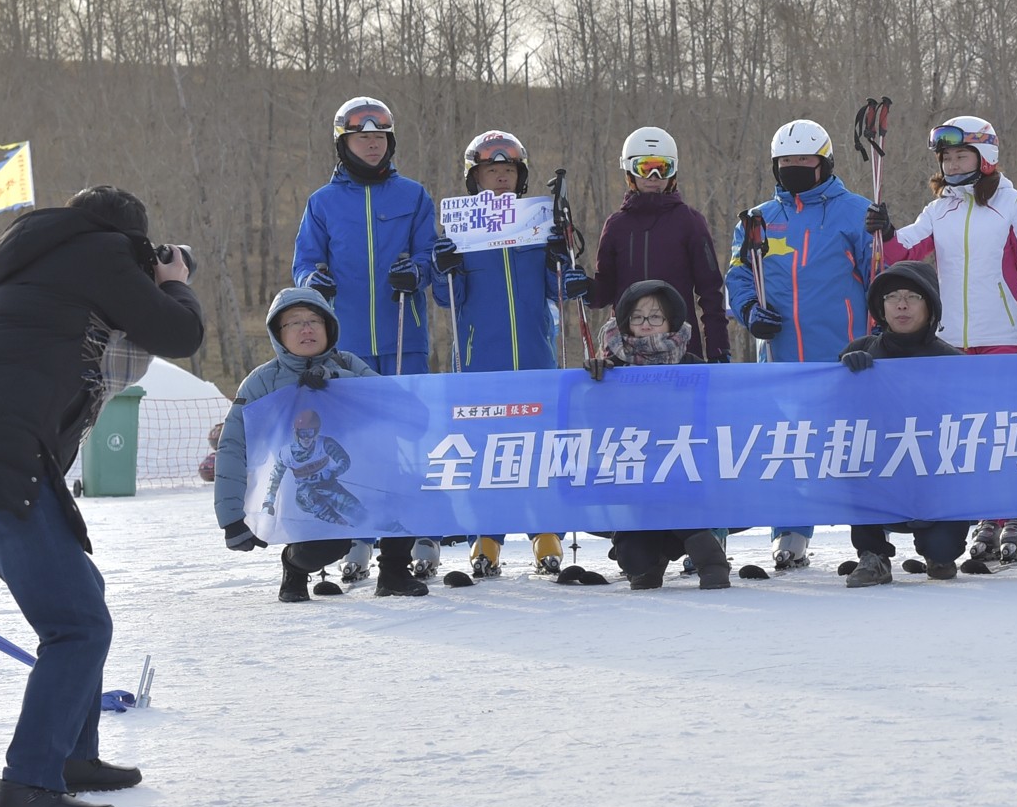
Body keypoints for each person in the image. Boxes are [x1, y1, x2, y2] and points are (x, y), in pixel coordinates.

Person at [0, 186, 206, 807]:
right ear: (131, 242)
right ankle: (27, 789)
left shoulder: (40, 263)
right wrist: (174, 280)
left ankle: (74, 756)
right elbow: (181, 332)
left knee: (82, 599)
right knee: (77, 625)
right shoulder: (100, 255)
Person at [868, 115, 1017, 565]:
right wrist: (884, 230)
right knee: (970, 434)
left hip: (1004, 335)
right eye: (946, 157)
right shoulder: (939, 210)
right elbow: (901, 254)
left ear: (985, 157)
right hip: (951, 341)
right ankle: (985, 514)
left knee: (1007, 429)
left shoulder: (1014, 204)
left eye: (961, 155)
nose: (951, 164)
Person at [288, 95, 439, 583]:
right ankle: (358, 535)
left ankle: (420, 532)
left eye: (379, 138)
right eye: (361, 137)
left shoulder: (413, 196)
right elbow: (305, 262)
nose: (372, 145)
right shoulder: (323, 203)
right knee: (351, 443)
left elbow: (431, 257)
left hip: (402, 335)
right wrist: (316, 282)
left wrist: (414, 273)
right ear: (344, 144)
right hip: (346, 344)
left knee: (406, 436)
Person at [215, 287, 428, 602]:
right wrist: (232, 517)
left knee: (409, 488)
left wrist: (338, 382)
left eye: (315, 320)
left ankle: (394, 572)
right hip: (301, 487)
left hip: (361, 476)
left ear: (329, 328)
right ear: (278, 333)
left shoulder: (349, 364)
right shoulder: (262, 382)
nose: (306, 328)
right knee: (332, 543)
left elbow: (409, 415)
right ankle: (294, 567)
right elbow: (233, 445)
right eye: (294, 323)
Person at [727, 118, 873, 572]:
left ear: (824, 162)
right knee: (788, 443)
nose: (793, 168)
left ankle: (870, 533)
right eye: (785, 161)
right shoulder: (758, 220)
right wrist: (750, 310)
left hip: (843, 352)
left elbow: (879, 277)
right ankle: (790, 532)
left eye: (803, 161)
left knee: (850, 443)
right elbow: (737, 275)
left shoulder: (855, 212)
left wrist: (880, 334)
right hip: (781, 353)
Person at [430, 129, 574, 579]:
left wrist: (559, 255)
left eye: (508, 171)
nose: (500, 179)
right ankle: (487, 537)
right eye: (491, 171)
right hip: (481, 357)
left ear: (520, 177)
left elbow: (560, 288)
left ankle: (544, 531)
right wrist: (444, 266)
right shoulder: (461, 231)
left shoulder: (537, 224)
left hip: (534, 351)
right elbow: (444, 298)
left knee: (537, 444)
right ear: (474, 178)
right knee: (487, 447)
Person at [581, 280, 733, 589]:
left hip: (685, 479)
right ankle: (653, 560)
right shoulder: (611, 370)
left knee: (684, 512)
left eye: (655, 317)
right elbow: (588, 419)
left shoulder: (692, 367)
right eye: (637, 317)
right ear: (626, 321)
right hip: (634, 482)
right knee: (634, 559)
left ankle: (711, 558)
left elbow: (718, 417)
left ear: (670, 321)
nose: (646, 324)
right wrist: (592, 379)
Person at [838, 261, 969, 586]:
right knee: (856, 456)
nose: (901, 305)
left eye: (913, 297)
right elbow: (830, 414)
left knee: (942, 553)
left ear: (930, 306)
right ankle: (873, 555)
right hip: (879, 478)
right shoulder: (860, 351)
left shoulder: (954, 362)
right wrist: (843, 376)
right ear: (880, 307)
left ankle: (936, 551)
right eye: (892, 297)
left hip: (935, 482)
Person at [592, 125, 728, 363]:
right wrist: (582, 287)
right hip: (625, 352)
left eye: (662, 169)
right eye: (645, 168)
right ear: (630, 172)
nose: (654, 178)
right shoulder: (616, 226)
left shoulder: (690, 222)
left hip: (681, 352)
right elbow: (602, 294)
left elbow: (710, 292)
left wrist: (718, 349)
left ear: (673, 173)